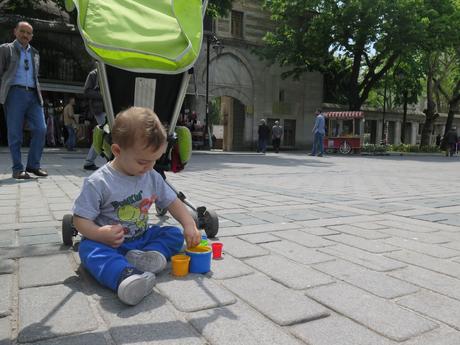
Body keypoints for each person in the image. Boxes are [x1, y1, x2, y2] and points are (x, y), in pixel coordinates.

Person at [72, 107, 201, 306]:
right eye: (142, 161)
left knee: (174, 234)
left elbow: (172, 202)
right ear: (117, 151)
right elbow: (79, 220)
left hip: (141, 238)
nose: (149, 167)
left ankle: (151, 256)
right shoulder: (99, 182)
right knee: (88, 249)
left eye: (154, 161)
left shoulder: (151, 176)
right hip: (109, 243)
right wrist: (98, 233)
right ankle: (126, 277)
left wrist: (188, 224)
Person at [0, 21, 48, 179]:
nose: (25, 35)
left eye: (28, 33)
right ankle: (17, 169)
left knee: (41, 129)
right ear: (15, 31)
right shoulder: (6, 49)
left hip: (34, 94)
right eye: (22, 31)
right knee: (15, 133)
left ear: (32, 36)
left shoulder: (35, 53)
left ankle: (33, 165)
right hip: (14, 93)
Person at [83, 68, 106, 170]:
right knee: (104, 133)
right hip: (99, 108)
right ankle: (89, 161)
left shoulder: (108, 71)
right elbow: (87, 90)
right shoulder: (94, 73)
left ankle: (89, 161)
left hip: (107, 107)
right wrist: (103, 95)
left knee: (103, 133)